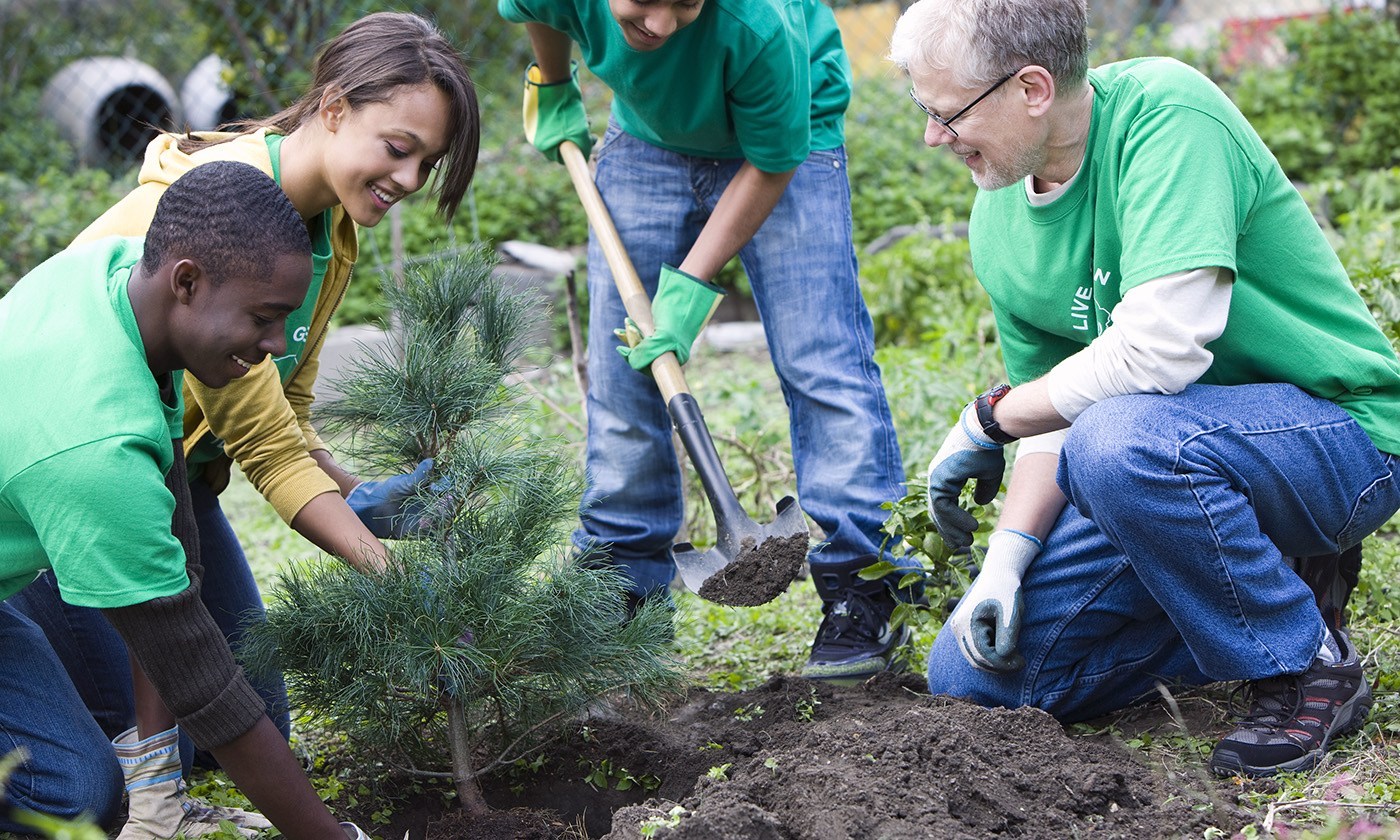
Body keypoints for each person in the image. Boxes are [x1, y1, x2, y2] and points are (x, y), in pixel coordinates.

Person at [891, 0, 1400, 777]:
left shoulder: (1168, 116)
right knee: (972, 677)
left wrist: (985, 420)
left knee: (1119, 437)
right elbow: (1052, 413)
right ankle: (1268, 584)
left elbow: (1159, 351)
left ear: (1031, 88)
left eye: (945, 112)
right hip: (1169, 468)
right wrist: (1007, 559)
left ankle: (1305, 664)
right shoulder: (998, 216)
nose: (933, 135)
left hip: (1338, 438)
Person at [7, 10, 480, 762]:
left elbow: (281, 410)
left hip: (174, 486)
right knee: (147, 739)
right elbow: (266, 449)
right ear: (332, 108)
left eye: (428, 164)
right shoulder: (221, 217)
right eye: (398, 149)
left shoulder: (330, 229)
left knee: (248, 719)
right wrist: (394, 580)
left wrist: (351, 490)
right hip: (72, 483)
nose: (410, 181)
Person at [497, 0, 919, 683]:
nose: (660, 25)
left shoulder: (758, 24)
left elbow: (772, 160)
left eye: (684, 2)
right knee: (622, 367)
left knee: (822, 361)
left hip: (789, 137)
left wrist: (688, 288)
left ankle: (862, 589)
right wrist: (553, 81)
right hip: (647, 136)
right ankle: (624, 587)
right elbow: (536, 9)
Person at [0, 161, 372, 839]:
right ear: (188, 282)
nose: (271, 349)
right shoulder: (95, 444)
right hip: (51, 502)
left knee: (161, 746)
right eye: (264, 319)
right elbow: (198, 676)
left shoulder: (113, 282)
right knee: (72, 795)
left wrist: (156, 773)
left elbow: (174, 543)